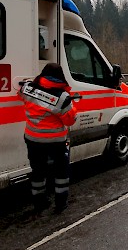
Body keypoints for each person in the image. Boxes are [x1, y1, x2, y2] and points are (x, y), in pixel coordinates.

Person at [19, 63, 77, 214]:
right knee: (61, 173)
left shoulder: (27, 89)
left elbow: (21, 94)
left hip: (32, 139)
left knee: (37, 171)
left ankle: (39, 203)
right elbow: (70, 120)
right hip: (56, 142)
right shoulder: (63, 97)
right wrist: (73, 106)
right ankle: (60, 203)